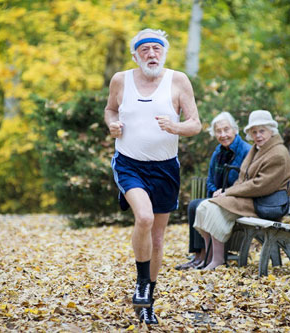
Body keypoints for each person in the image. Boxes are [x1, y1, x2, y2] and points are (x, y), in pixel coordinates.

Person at [104, 28, 201, 325]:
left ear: (164, 53)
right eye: (144, 49)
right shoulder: (121, 80)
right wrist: (112, 124)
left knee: (158, 240)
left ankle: (148, 300)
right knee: (144, 218)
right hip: (129, 163)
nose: (151, 54)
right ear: (135, 55)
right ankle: (141, 284)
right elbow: (109, 110)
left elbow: (195, 124)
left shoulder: (178, 80)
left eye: (156, 49)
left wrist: (176, 128)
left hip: (165, 168)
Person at [193, 110, 290, 270]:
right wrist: (225, 193)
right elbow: (242, 177)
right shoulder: (258, 148)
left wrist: (228, 193)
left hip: (265, 203)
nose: (258, 135)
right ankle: (210, 257)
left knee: (212, 208)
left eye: (262, 131)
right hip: (251, 199)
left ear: (271, 131)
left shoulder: (278, 153)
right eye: (254, 132)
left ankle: (218, 260)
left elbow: (260, 185)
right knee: (203, 207)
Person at [175, 112, 250, 270]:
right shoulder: (218, 152)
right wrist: (215, 190)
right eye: (218, 131)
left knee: (200, 206)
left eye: (226, 130)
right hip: (219, 196)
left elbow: (246, 181)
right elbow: (209, 179)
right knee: (194, 205)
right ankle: (199, 255)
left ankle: (206, 256)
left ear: (235, 130)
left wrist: (226, 191)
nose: (223, 135)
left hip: (236, 199)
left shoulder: (245, 151)